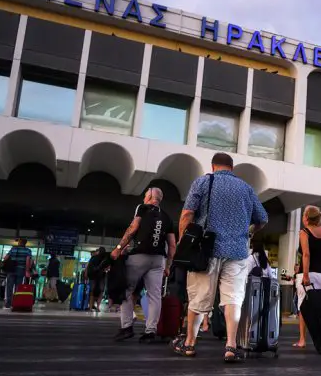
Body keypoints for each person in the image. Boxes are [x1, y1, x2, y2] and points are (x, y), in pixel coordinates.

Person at [173, 152, 268, 362]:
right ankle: (231, 346)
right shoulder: (246, 188)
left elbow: (188, 213)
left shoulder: (204, 182)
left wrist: (183, 240)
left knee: (198, 297)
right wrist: (249, 231)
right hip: (237, 251)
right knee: (233, 299)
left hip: (206, 250)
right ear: (232, 168)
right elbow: (262, 218)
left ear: (213, 166)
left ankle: (189, 343)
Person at [111, 187, 176, 343]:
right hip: (158, 260)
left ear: (149, 197)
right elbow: (172, 245)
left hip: (138, 257)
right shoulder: (167, 217)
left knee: (127, 291)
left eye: (145, 195)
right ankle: (150, 332)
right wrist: (168, 266)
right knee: (154, 296)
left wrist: (118, 248)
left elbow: (133, 228)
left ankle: (126, 327)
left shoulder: (142, 208)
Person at [294, 205, 321, 348]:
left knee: (303, 307)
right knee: (319, 307)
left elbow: (306, 254)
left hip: (307, 274)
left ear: (306, 217)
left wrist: (305, 274)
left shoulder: (304, 232)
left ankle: (302, 340)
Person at [3, 238, 33, 309]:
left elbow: (5, 258)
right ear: (25, 243)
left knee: (9, 286)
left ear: (19, 242)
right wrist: (27, 271)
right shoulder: (28, 250)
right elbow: (28, 260)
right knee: (18, 287)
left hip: (11, 269)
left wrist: (5, 264)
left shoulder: (13, 249)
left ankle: (8, 303)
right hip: (21, 270)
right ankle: (15, 302)